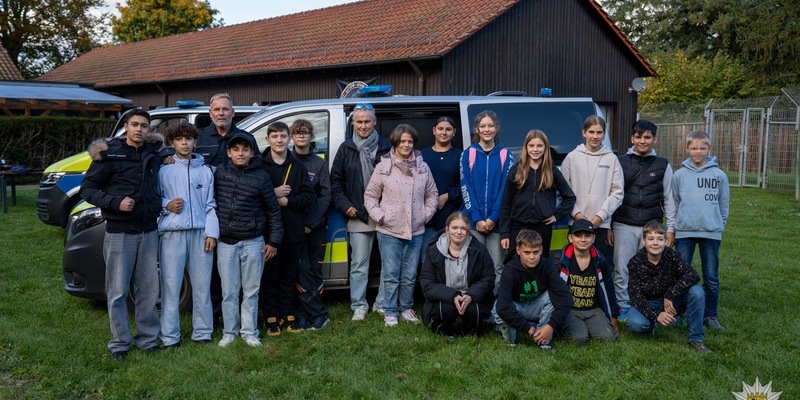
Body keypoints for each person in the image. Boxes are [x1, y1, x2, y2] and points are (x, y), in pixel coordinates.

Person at [80, 109, 163, 361]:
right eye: (134, 124)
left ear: (149, 129)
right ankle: (120, 343)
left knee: (148, 290)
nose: (139, 129)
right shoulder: (110, 155)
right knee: (117, 291)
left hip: (148, 231)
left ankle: (147, 340)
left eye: (144, 126)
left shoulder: (153, 153)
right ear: (125, 126)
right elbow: (87, 189)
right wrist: (115, 202)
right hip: (120, 232)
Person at [364, 123, 438, 327]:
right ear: (395, 143)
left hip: (416, 230)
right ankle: (390, 311)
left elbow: (432, 194)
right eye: (402, 141)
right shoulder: (383, 167)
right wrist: (381, 216)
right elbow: (370, 196)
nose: (406, 145)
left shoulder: (422, 167)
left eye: (410, 141)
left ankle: (406, 307)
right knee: (391, 273)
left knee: (410, 274)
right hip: (389, 230)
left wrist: (425, 214)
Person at [214, 132, 283, 348]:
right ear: (229, 152)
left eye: (245, 149)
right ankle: (229, 332)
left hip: (253, 242)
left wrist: (273, 241)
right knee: (229, 292)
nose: (240, 153)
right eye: (236, 149)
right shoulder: (218, 174)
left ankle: (249, 332)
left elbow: (273, 211)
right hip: (226, 242)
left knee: (251, 290)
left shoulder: (261, 177)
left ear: (252, 152)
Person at [157, 122, 219, 348]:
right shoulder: (164, 170)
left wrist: (211, 233)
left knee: (202, 285)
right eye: (179, 139)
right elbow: (155, 199)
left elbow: (211, 205)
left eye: (188, 139)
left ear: (195, 141)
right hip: (172, 234)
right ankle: (169, 336)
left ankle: (202, 332)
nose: (184, 143)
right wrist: (167, 206)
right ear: (172, 142)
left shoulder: (206, 171)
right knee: (171, 285)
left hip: (201, 235)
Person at [330, 103, 391, 320]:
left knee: (388, 263)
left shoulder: (387, 147)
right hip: (358, 214)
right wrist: (346, 206)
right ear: (353, 123)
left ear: (375, 122)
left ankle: (383, 302)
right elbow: (335, 183)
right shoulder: (346, 148)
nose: (363, 125)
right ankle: (359, 305)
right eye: (359, 121)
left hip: (386, 215)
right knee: (358, 264)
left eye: (367, 121)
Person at [610, 120, 676, 322]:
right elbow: (613, 194)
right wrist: (609, 225)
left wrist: (671, 228)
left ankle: (647, 304)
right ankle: (622, 306)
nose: (642, 141)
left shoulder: (663, 165)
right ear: (632, 138)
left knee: (651, 269)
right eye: (638, 136)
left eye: (647, 137)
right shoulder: (620, 162)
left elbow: (669, 198)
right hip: (623, 224)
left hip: (651, 227)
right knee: (622, 269)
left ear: (654, 139)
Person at [560, 115, 623, 305]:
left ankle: (601, 305)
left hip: (600, 224)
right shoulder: (572, 157)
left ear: (604, 134)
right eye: (591, 132)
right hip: (576, 223)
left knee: (599, 267)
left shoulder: (611, 159)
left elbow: (617, 193)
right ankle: (572, 303)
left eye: (599, 132)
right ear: (584, 133)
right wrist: (578, 215)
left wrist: (599, 217)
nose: (595, 136)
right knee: (574, 266)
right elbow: (564, 190)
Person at [259, 121, 314, 336]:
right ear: (267, 140)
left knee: (288, 275)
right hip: (268, 232)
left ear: (288, 139)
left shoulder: (298, 166)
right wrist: (273, 193)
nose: (279, 141)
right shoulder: (260, 166)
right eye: (275, 137)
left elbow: (309, 197)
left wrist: (287, 202)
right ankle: (270, 315)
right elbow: (253, 195)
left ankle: (285, 313)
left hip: (292, 230)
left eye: (283, 136)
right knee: (270, 275)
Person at [626, 221, 713, 354]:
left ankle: (696, 339)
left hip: (671, 301)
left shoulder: (671, 255)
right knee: (635, 324)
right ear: (643, 241)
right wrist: (656, 315)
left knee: (696, 291)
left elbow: (692, 275)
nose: (655, 243)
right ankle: (650, 325)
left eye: (660, 239)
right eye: (650, 239)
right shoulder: (635, 262)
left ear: (666, 241)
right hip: (649, 302)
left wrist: (670, 295)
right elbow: (635, 296)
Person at [672, 130, 730, 331]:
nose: (698, 151)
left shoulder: (719, 175)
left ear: (709, 149)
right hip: (685, 232)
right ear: (687, 149)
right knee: (680, 275)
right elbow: (676, 201)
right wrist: (680, 222)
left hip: (710, 233)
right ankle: (678, 313)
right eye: (694, 148)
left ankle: (710, 315)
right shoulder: (679, 175)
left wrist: (718, 225)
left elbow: (724, 205)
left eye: (702, 148)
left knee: (711, 276)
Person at [419, 211, 495, 337]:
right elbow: (427, 283)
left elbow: (488, 277)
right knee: (446, 309)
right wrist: (453, 295)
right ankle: (444, 330)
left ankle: (470, 330)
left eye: (463, 228)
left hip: (470, 294)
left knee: (473, 310)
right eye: (454, 228)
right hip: (445, 296)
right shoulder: (433, 250)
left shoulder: (479, 249)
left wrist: (471, 295)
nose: (459, 232)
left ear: (468, 231)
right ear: (447, 229)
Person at [500, 129, 576, 255]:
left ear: (545, 148)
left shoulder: (552, 171)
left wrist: (557, 215)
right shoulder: (516, 170)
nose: (535, 149)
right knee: (516, 262)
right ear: (526, 147)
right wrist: (504, 233)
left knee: (541, 262)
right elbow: (505, 204)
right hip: (518, 225)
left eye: (539, 145)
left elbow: (569, 198)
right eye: (531, 145)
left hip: (543, 226)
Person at [460, 110, 513, 285]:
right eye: (483, 126)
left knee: (497, 265)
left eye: (490, 125)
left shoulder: (505, 155)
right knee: (474, 263)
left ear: (497, 128)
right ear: (477, 129)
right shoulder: (468, 154)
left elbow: (506, 190)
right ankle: (475, 303)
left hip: (496, 222)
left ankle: (495, 305)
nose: (487, 129)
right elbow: (465, 187)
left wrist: (492, 218)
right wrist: (477, 218)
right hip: (474, 221)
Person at [495, 229, 571, 349]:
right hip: (517, 306)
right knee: (497, 307)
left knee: (553, 296)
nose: (532, 257)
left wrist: (551, 325)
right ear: (518, 250)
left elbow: (565, 297)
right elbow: (503, 306)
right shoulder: (510, 270)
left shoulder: (547, 265)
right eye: (527, 252)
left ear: (541, 250)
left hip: (536, 305)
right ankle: (511, 340)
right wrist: (529, 329)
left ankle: (543, 339)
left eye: (535, 252)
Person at [290, 119, 331, 330]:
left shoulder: (319, 163)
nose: (301, 136)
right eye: (297, 133)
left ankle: (311, 313)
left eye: (305, 132)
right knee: (299, 270)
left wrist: (311, 222)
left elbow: (325, 197)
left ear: (311, 136)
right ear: (292, 137)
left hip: (315, 227)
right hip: (293, 227)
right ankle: (307, 313)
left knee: (314, 269)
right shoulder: (287, 161)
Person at [559, 219, 618, 344]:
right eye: (578, 235)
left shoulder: (600, 261)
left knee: (607, 338)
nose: (583, 239)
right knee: (579, 339)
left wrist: (614, 317)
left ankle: (592, 326)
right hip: (571, 310)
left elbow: (609, 288)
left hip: (594, 309)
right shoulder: (562, 261)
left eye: (587, 235)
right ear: (570, 238)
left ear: (593, 238)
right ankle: (577, 329)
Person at [420, 117, 463, 253]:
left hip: (451, 218)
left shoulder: (461, 156)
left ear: (454, 132)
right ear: (434, 130)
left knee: (450, 258)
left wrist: (448, 195)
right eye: (440, 129)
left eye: (448, 129)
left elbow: (468, 187)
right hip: (426, 219)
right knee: (427, 259)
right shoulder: (421, 155)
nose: (444, 132)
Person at [195, 93, 260, 167]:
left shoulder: (248, 139)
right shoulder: (198, 138)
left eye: (225, 109)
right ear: (210, 113)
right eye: (216, 109)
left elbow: (255, 169)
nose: (221, 113)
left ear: (233, 112)